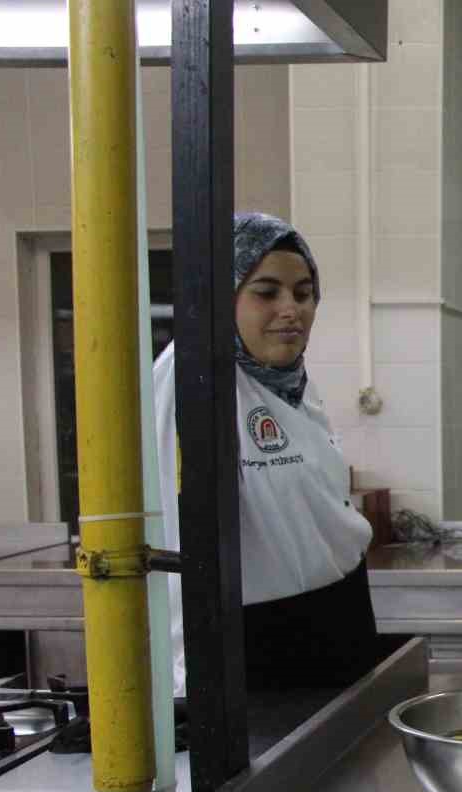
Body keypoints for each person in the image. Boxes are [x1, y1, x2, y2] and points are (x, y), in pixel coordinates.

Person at [156, 212, 379, 695]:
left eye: (303, 293)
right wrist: (185, 681)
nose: (290, 309)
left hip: (337, 620)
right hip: (256, 644)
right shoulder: (191, 380)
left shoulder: (288, 380)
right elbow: (174, 538)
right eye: (266, 291)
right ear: (221, 295)